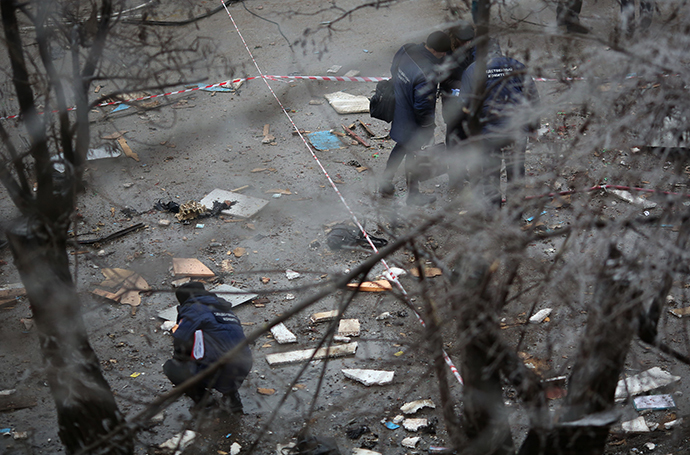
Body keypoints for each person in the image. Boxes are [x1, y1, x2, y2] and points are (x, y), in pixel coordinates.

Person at [448, 41, 539, 207]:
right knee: (516, 169)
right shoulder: (516, 65)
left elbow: (465, 105)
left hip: (488, 132)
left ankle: (493, 211)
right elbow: (532, 98)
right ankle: (515, 211)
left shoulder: (472, 70)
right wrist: (534, 126)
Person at [379, 31, 451, 206]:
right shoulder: (428, 73)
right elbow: (422, 106)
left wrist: (402, 87)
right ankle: (413, 195)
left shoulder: (407, 49)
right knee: (414, 153)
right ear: (437, 51)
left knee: (401, 147)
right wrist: (428, 126)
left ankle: (385, 183)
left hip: (399, 106)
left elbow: (394, 69)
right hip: (413, 119)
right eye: (444, 53)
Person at [163, 282, 252, 413]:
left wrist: (182, 363)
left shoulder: (193, 310)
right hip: (244, 364)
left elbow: (180, 341)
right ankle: (232, 398)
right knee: (226, 351)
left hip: (217, 368)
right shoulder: (224, 308)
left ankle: (206, 403)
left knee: (171, 368)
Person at [440, 21, 476, 188]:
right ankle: (454, 177)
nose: (467, 43)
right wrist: (465, 85)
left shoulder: (473, 50)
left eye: (469, 39)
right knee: (454, 141)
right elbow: (444, 80)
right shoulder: (446, 55)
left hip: (469, 103)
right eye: (463, 40)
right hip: (453, 104)